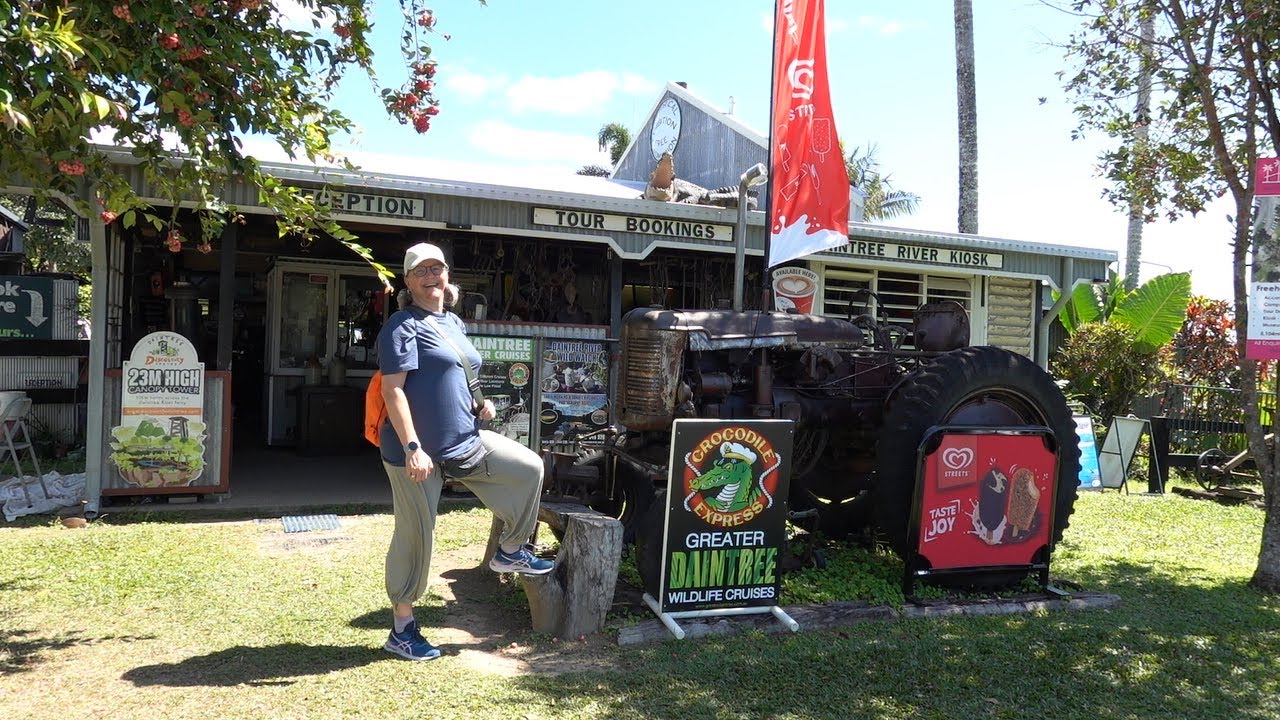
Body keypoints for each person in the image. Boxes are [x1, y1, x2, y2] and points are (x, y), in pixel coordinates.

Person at [376, 242, 552, 662]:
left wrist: (479, 402)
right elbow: (393, 391)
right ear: (408, 282)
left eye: (437, 269)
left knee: (528, 468)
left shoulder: (453, 321)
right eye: (422, 271)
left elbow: (457, 371)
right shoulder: (401, 326)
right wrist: (413, 447)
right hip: (415, 454)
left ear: (447, 276)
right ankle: (402, 630)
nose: (431, 277)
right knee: (416, 537)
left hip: (463, 441)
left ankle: (510, 551)